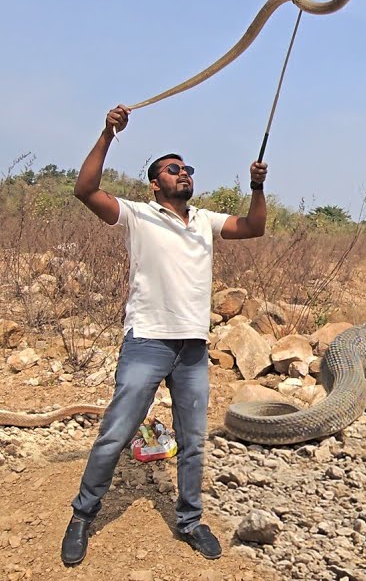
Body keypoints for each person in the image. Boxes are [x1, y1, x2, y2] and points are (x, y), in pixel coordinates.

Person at [61, 104, 268, 566]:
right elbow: (85, 189)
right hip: (147, 341)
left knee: (193, 440)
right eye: (173, 170)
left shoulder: (205, 221)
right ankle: (82, 516)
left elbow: (254, 227)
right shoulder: (137, 214)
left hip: (192, 348)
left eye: (187, 169)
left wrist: (256, 186)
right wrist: (107, 133)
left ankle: (190, 521)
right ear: (155, 183)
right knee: (115, 434)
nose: (183, 174)